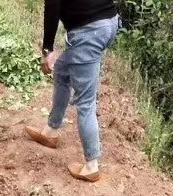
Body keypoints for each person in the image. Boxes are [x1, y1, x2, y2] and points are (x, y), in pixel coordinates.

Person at [26, 0, 120, 182]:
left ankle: (92, 165)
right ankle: (50, 131)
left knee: (86, 102)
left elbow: (52, 7)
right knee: (62, 69)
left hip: (89, 31)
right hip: (109, 21)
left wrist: (47, 50)